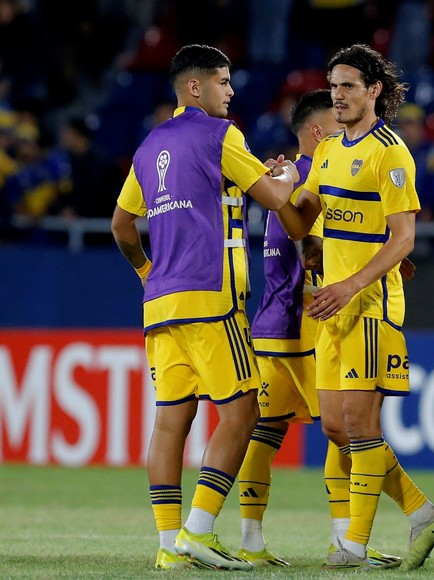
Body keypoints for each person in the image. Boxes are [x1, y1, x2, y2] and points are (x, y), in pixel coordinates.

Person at [110, 44, 299, 571]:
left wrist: (148, 273)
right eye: (223, 80)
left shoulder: (148, 148)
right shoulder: (221, 134)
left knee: (172, 418)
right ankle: (198, 529)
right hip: (211, 299)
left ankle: (169, 547)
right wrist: (290, 176)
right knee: (243, 411)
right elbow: (278, 200)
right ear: (196, 87)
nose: (231, 90)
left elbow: (121, 225)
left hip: (161, 306)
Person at [266, 44, 434, 571]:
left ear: (374, 91)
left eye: (348, 85)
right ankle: (422, 513)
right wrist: (277, 191)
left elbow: (403, 239)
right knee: (334, 427)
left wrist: (350, 285)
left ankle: (353, 544)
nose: (338, 95)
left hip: (370, 304)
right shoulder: (325, 151)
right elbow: (301, 224)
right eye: (333, 85)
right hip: (332, 307)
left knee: (360, 425)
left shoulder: (389, 151)